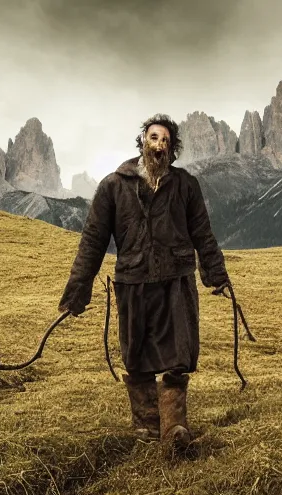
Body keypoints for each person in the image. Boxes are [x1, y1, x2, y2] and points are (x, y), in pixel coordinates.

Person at [57, 113, 231, 449]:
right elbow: (93, 240)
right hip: (133, 283)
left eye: (166, 140)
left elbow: (203, 235)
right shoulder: (113, 185)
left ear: (172, 149)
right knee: (136, 356)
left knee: (178, 356)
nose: (160, 145)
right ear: (143, 141)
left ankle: (174, 428)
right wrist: (77, 291)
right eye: (154, 138)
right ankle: (148, 427)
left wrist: (217, 275)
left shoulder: (185, 186)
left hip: (176, 283)